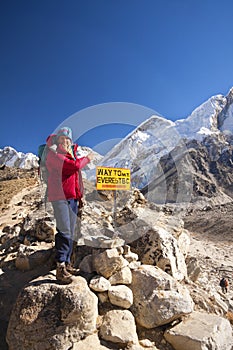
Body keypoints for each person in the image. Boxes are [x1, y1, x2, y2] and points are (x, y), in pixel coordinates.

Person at [45, 126, 93, 284]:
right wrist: (87, 159)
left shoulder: (70, 155)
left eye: (68, 139)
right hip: (59, 197)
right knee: (64, 230)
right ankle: (60, 266)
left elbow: (75, 179)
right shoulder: (54, 155)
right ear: (57, 140)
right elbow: (72, 167)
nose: (65, 141)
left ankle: (66, 263)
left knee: (70, 231)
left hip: (72, 198)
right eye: (62, 139)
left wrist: (80, 197)